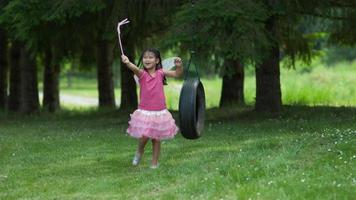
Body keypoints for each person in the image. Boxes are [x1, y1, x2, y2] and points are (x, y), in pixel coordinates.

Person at [121, 48, 183, 169]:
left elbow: (176, 74)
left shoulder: (161, 73)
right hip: (145, 111)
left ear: (157, 60)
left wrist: (179, 66)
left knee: (156, 138)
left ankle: (154, 163)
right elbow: (134, 68)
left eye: (150, 57)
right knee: (144, 135)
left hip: (159, 112)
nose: (147, 59)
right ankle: (140, 151)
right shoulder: (142, 74)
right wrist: (127, 62)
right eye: (145, 57)